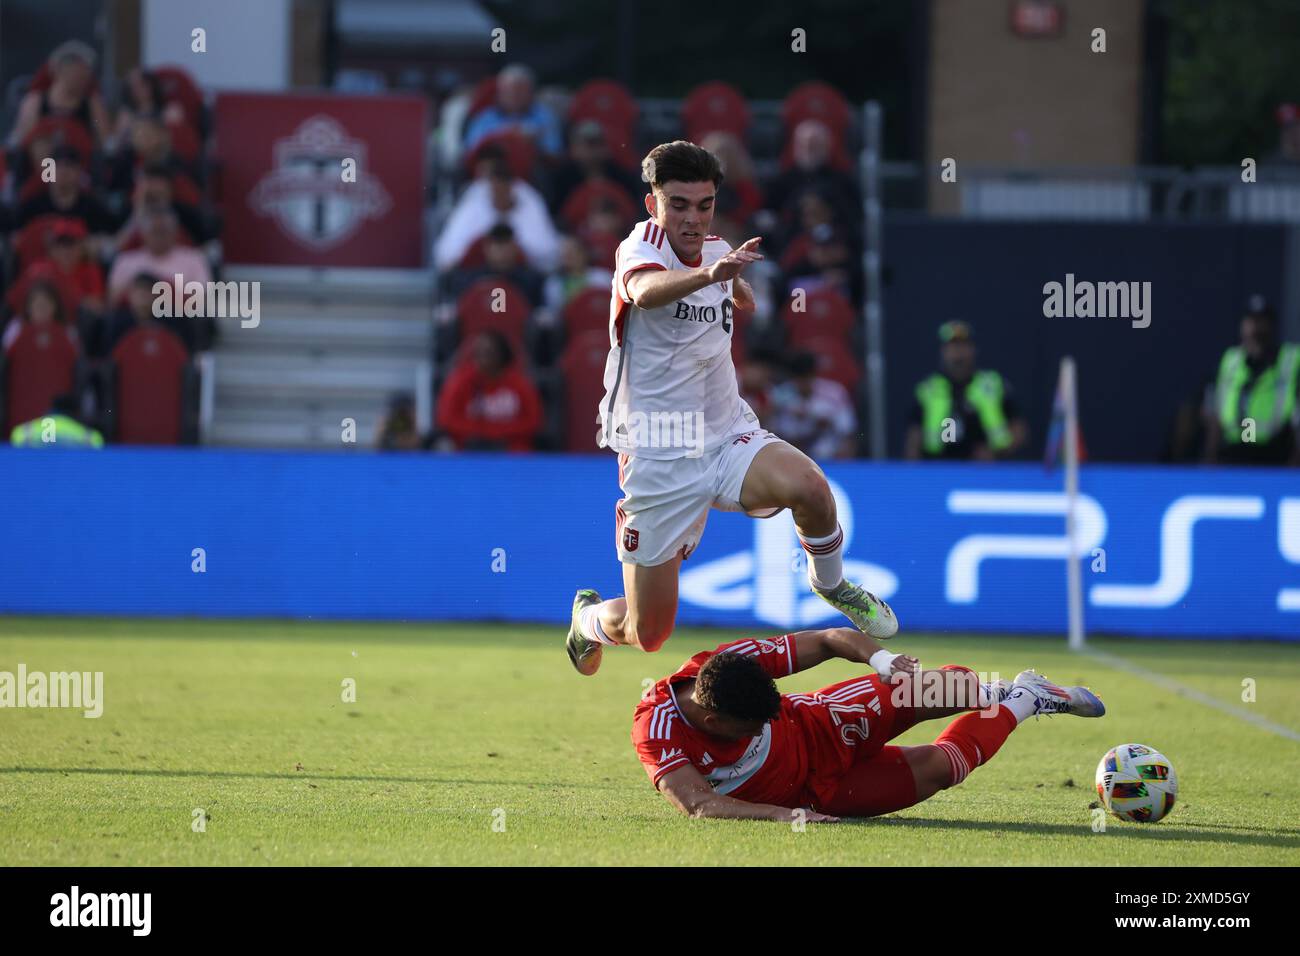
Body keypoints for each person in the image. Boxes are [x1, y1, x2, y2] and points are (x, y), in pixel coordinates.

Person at [564, 140, 897, 677]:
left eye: (704, 204)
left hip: (724, 435)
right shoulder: (639, 247)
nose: (692, 219)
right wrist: (714, 278)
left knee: (811, 488)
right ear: (653, 205)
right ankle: (588, 621)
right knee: (648, 634)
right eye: (678, 204)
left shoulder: (718, 251)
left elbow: (724, 281)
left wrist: (735, 286)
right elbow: (646, 292)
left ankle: (831, 582)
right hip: (657, 452)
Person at [634, 628, 1103, 821]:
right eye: (752, 726)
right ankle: (1025, 698)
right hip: (818, 794)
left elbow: (828, 638)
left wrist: (882, 659)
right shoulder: (656, 730)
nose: (760, 729)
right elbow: (700, 805)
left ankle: (996, 693)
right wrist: (787, 814)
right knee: (942, 771)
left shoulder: (731, 663)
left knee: (932, 688)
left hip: (822, 723)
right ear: (712, 720)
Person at [905, 321, 1027, 461]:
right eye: (952, 347)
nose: (958, 353)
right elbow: (914, 437)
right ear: (943, 352)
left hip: (986, 470)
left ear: (973, 349)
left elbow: (1019, 430)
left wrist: (996, 453)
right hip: (938, 469)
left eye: (963, 346)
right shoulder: (928, 389)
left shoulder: (993, 385)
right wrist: (914, 472)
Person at [1203, 295, 1299, 466]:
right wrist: (1210, 459)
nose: (1256, 329)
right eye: (1251, 321)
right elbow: (1216, 413)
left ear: (1272, 326)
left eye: (1263, 322)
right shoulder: (1230, 360)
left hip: (1275, 453)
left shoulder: (1290, 361)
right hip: (1233, 452)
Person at [435, 330, 542, 452]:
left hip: (511, 450)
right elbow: (446, 419)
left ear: (502, 355)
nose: (482, 359)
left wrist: (497, 431)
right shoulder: (460, 381)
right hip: (467, 449)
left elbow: (533, 421)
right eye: (478, 354)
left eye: (488, 353)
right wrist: (480, 431)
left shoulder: (520, 383)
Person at [766, 351, 858, 460]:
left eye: (807, 378)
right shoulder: (780, 396)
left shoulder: (835, 392)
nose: (803, 383)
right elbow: (771, 432)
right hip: (791, 457)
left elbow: (847, 431)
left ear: (814, 375)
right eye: (799, 379)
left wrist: (819, 420)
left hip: (830, 458)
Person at [463, 64, 563, 159]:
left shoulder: (546, 116)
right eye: (509, 90)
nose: (514, 95)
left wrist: (533, 145)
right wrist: (503, 137)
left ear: (532, 92)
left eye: (521, 90)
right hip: (494, 172)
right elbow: (471, 152)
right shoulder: (485, 117)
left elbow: (555, 155)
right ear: (499, 92)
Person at [11, 392, 103, 448]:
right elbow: (97, 443)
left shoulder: (25, 431)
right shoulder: (88, 436)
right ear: (75, 412)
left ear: (51, 408)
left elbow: (16, 438)